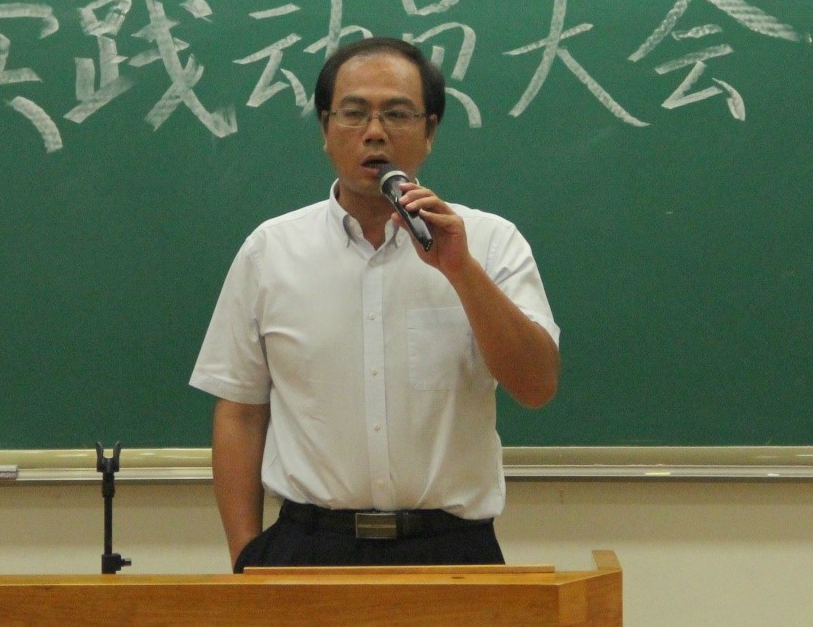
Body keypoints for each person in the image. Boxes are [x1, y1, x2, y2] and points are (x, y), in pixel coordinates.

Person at [189, 36, 560, 572]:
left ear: (430, 132)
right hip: (307, 547)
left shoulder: (490, 242)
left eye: (398, 114)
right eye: (354, 113)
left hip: (451, 549)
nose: (375, 132)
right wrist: (247, 558)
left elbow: (537, 385)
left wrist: (461, 270)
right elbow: (242, 413)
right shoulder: (270, 250)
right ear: (325, 129)